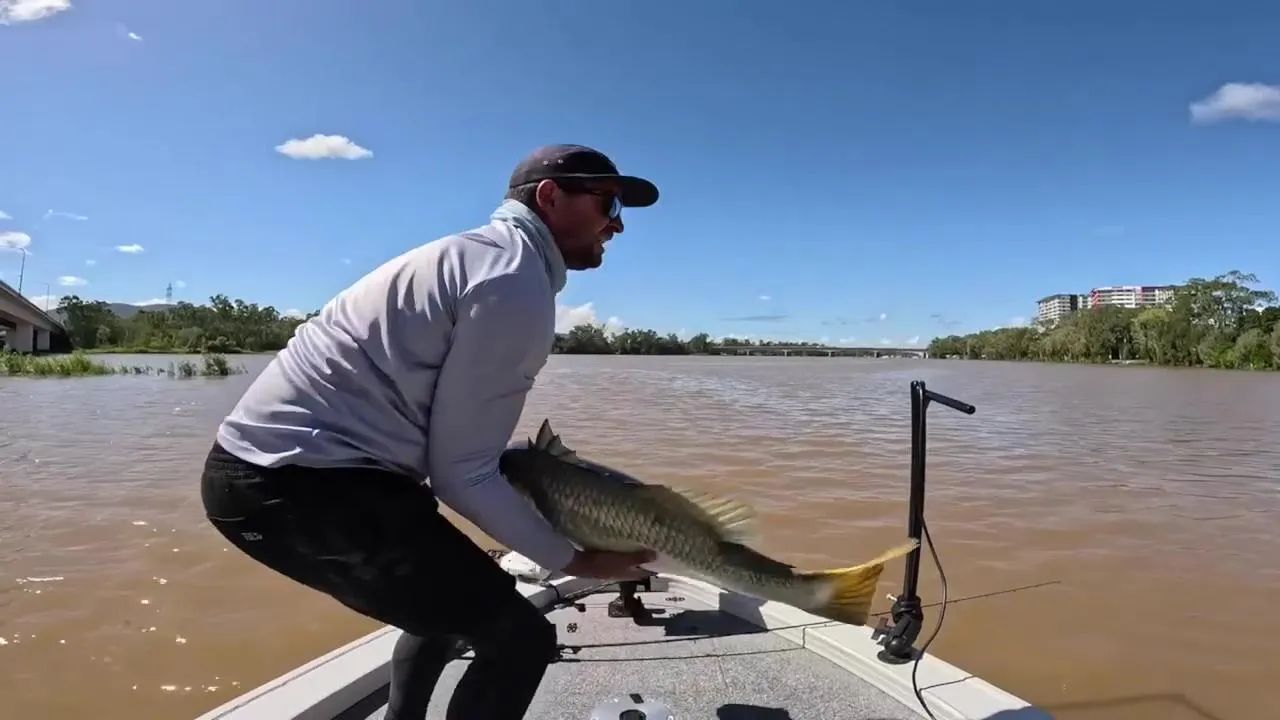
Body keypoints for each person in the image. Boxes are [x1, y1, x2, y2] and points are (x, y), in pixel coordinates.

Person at [199, 144, 661, 720]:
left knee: (442, 609)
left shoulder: (478, 257)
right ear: (549, 197)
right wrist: (576, 560)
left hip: (283, 477)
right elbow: (463, 473)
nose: (617, 224)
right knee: (518, 640)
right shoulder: (512, 280)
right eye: (608, 203)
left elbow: (460, 457)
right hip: (300, 487)